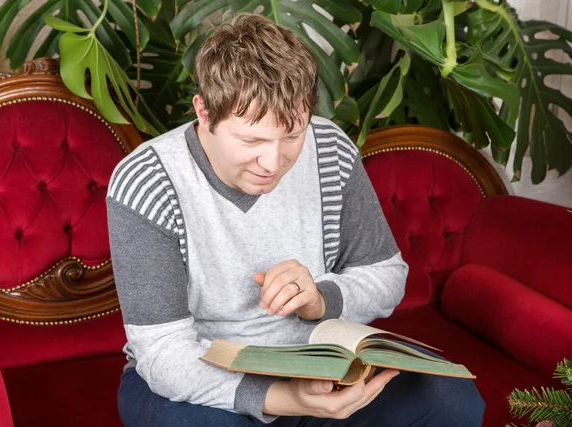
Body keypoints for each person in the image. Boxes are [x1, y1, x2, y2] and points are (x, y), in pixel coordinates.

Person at [107, 12, 485, 427]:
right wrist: (284, 398)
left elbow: (387, 276)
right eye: (251, 139)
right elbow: (163, 351)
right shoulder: (147, 180)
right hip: (203, 383)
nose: (272, 162)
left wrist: (321, 300)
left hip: (317, 368)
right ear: (204, 112)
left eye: (292, 135)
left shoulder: (329, 151)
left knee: (453, 400)